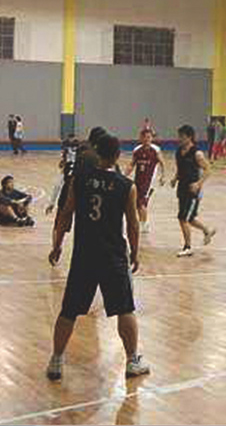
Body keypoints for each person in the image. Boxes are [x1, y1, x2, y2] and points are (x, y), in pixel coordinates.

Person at [46, 134, 149, 381]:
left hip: (84, 256)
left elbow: (66, 214)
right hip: (113, 257)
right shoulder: (126, 186)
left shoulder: (80, 180)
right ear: (117, 155)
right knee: (125, 309)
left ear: (96, 152)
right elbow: (133, 225)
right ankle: (132, 361)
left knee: (68, 310)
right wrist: (135, 253)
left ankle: (56, 360)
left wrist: (57, 245)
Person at [170, 125, 216, 257]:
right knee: (189, 219)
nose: (179, 139)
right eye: (179, 136)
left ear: (189, 137)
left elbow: (208, 170)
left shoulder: (197, 153)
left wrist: (198, 184)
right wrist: (175, 179)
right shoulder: (179, 152)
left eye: (182, 136)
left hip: (193, 192)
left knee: (182, 217)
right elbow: (180, 169)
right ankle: (207, 231)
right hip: (182, 188)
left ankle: (187, 247)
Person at [124, 129, 165, 234]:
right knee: (137, 202)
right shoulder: (137, 150)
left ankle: (144, 224)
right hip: (138, 180)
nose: (147, 139)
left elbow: (162, 163)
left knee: (142, 202)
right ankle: (142, 222)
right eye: (145, 137)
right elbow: (132, 164)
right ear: (141, 138)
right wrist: (125, 175)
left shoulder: (155, 150)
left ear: (152, 138)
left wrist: (162, 176)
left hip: (149, 181)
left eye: (149, 137)